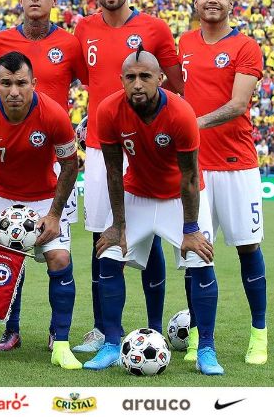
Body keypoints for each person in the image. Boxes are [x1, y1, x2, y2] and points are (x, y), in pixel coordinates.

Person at [86, 48, 224, 376]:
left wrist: (191, 228)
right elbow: (113, 171)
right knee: (107, 256)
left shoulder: (180, 112)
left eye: (145, 76)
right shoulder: (108, 110)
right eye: (130, 77)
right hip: (137, 193)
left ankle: (206, 346)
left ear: (160, 79)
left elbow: (190, 177)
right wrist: (117, 224)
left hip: (181, 197)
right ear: (121, 80)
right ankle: (110, 343)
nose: (137, 84)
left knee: (202, 263)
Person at [71, 0, 185, 354]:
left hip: (148, 147)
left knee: (149, 234)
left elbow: (175, 83)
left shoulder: (154, 28)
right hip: (103, 146)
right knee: (102, 237)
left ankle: (153, 328)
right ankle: (104, 330)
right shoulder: (84, 27)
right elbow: (95, 83)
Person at [0, 51, 82, 370]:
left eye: (21, 83)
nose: (14, 91)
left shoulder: (53, 114)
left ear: (34, 83)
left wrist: (53, 213)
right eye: (6, 84)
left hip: (44, 197)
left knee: (60, 259)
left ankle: (61, 344)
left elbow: (69, 164)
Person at [0, 0, 87, 352]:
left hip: (55, 165)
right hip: (10, 163)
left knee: (57, 253)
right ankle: (11, 329)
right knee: (10, 254)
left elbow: (99, 83)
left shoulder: (71, 45)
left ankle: (56, 333)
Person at [178, 0, 267, 365]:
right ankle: (199, 336)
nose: (212, 0)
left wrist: (190, 125)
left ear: (232, 3)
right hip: (193, 169)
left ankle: (258, 334)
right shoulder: (181, 43)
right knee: (195, 252)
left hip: (236, 165)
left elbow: (236, 106)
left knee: (248, 247)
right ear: (195, 1)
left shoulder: (246, 46)